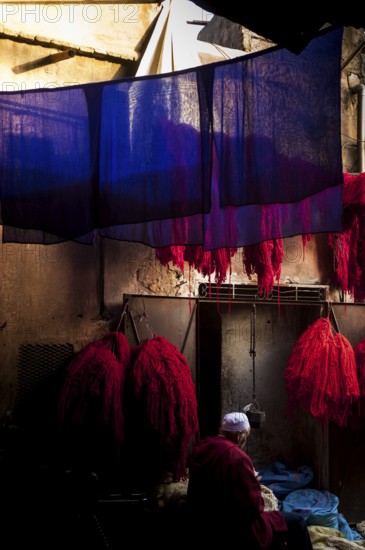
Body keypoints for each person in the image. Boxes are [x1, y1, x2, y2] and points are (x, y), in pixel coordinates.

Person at [187, 411, 313, 550]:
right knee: (298, 522)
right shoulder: (236, 457)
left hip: (205, 520)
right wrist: (253, 481)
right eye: (246, 436)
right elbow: (254, 506)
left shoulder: (201, 448)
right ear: (239, 435)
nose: (245, 440)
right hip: (233, 526)